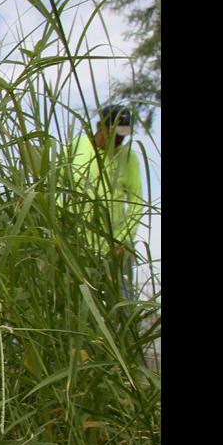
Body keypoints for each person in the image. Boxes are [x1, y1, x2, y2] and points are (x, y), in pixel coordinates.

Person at [66, 104, 147, 300]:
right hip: (78, 246)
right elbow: (58, 188)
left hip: (116, 250)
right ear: (99, 126)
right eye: (115, 133)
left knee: (123, 305)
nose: (119, 139)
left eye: (123, 135)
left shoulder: (129, 157)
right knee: (78, 304)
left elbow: (137, 203)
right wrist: (66, 230)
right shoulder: (76, 147)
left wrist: (122, 242)